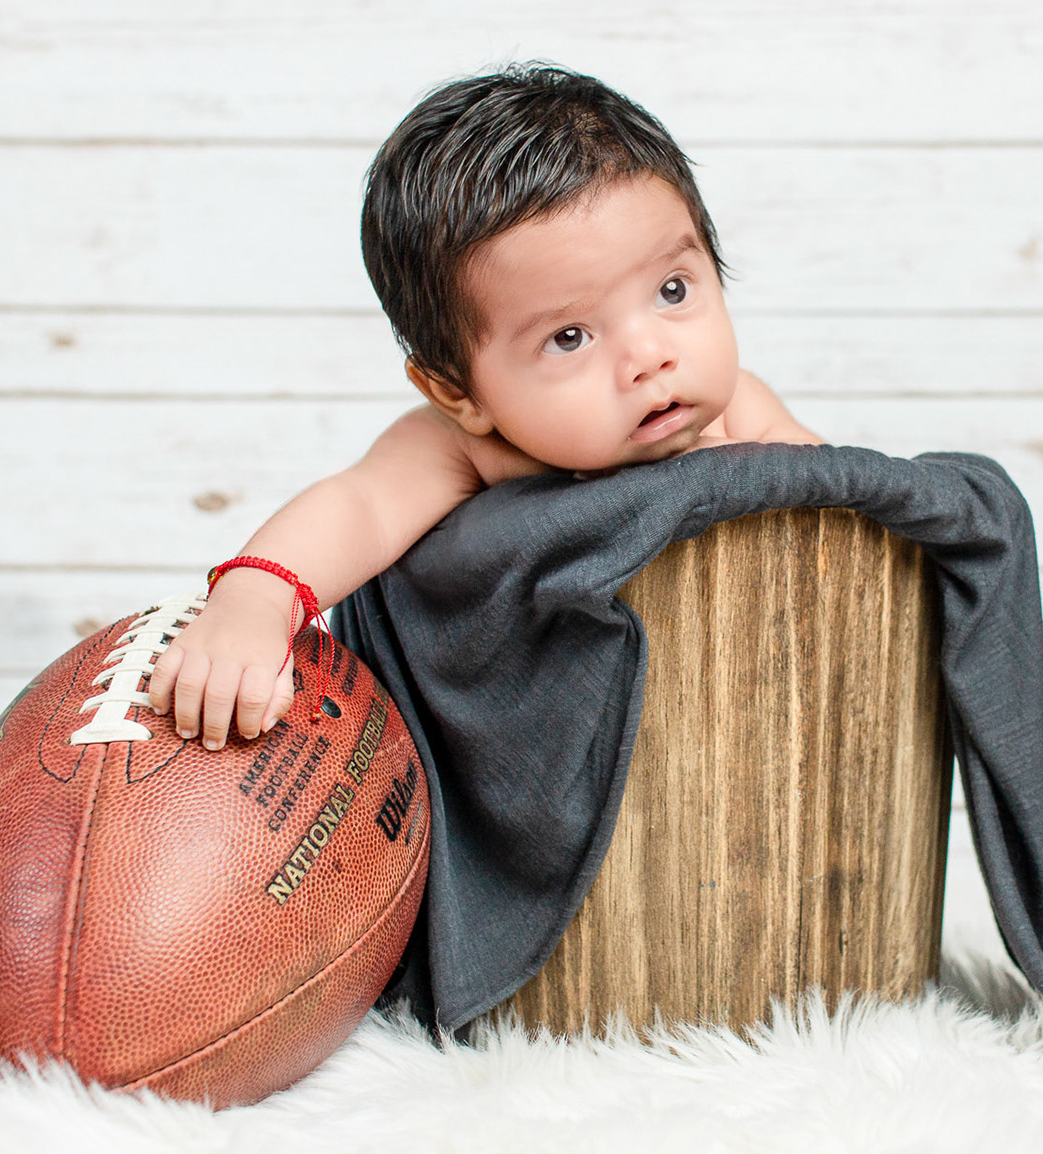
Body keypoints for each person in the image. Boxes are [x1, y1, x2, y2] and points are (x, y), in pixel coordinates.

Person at [149, 63, 822, 748]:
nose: (650, 355)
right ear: (458, 392)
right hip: (555, 746)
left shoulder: (742, 410)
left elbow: (843, 518)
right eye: (569, 337)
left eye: (673, 291)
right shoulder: (470, 447)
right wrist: (256, 601)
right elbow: (361, 506)